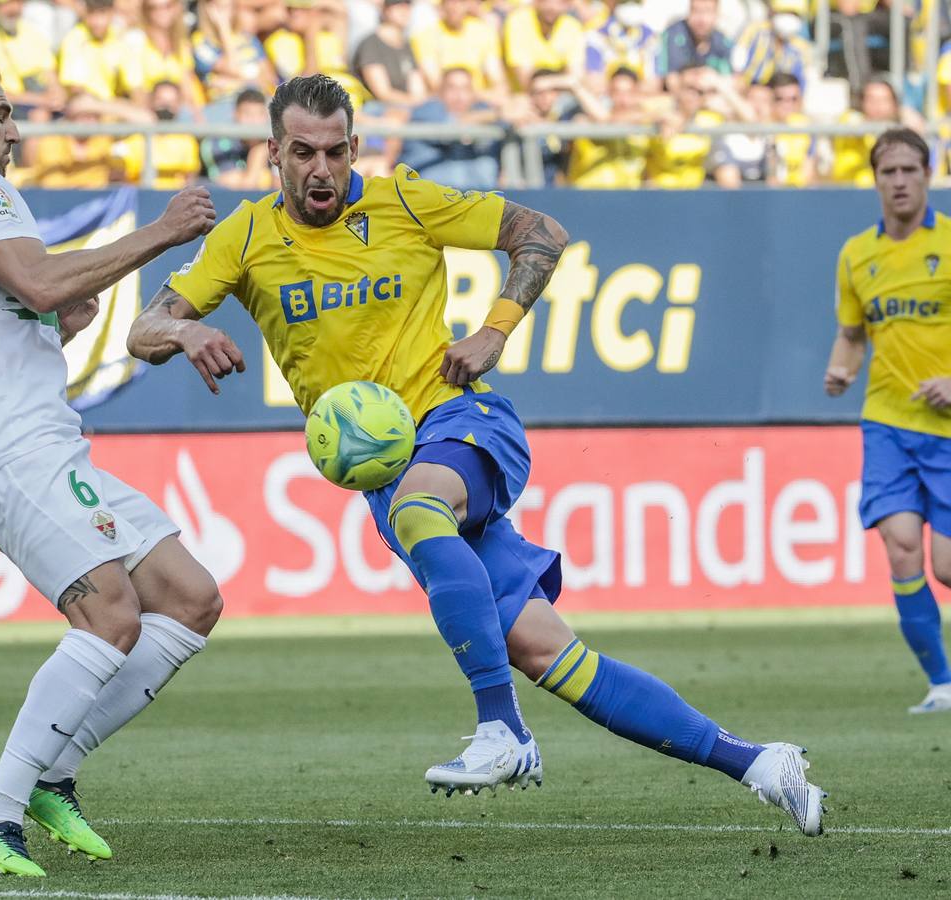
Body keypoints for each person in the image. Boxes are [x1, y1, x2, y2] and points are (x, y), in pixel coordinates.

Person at [126, 73, 828, 836]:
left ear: (354, 147)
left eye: (335, 151)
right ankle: (760, 762)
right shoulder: (245, 237)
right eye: (303, 152)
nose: (321, 169)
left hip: (462, 420)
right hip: (386, 472)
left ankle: (504, 731)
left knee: (423, 506)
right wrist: (188, 330)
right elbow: (142, 331)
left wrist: (495, 328)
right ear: (273, 154)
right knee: (543, 649)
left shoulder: (403, 200)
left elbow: (542, 232)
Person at [0, 51, 222, 877]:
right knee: (111, 613)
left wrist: (54, 326)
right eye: (2, 114)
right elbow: (35, 280)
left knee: (188, 597)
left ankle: (55, 772)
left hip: (31, 436)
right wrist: (161, 232)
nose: (14, 129)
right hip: (10, 446)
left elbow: (12, 309)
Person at [825, 127, 951, 715]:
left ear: (929, 175)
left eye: (910, 171)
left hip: (948, 429)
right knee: (901, 548)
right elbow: (853, 335)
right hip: (887, 422)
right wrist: (840, 369)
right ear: (874, 179)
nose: (899, 182)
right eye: (888, 172)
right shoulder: (856, 253)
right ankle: (942, 684)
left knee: (946, 567)